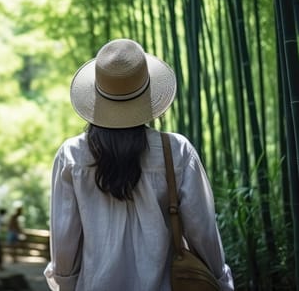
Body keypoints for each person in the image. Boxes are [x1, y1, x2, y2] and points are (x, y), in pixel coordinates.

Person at [43, 39, 234, 291]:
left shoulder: (72, 155)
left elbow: (64, 245)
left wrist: (66, 285)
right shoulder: (176, 151)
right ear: (147, 96)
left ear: (97, 97)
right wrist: (220, 281)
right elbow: (203, 232)